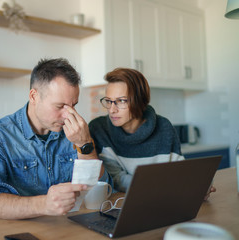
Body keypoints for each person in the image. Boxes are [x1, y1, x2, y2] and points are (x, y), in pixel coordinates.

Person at [0, 58, 108, 220]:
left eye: (73, 106)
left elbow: (100, 189)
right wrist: (44, 204)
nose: (68, 115)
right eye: (59, 106)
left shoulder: (76, 131)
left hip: (68, 229)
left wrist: (85, 145)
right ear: (34, 96)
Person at [89, 68, 215, 200]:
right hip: (116, 204)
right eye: (109, 101)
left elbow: (181, 171)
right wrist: (159, 186)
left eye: (121, 101)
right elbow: (115, 178)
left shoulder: (164, 127)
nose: (112, 110)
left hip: (160, 203)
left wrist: (201, 183)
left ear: (140, 101)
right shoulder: (99, 129)